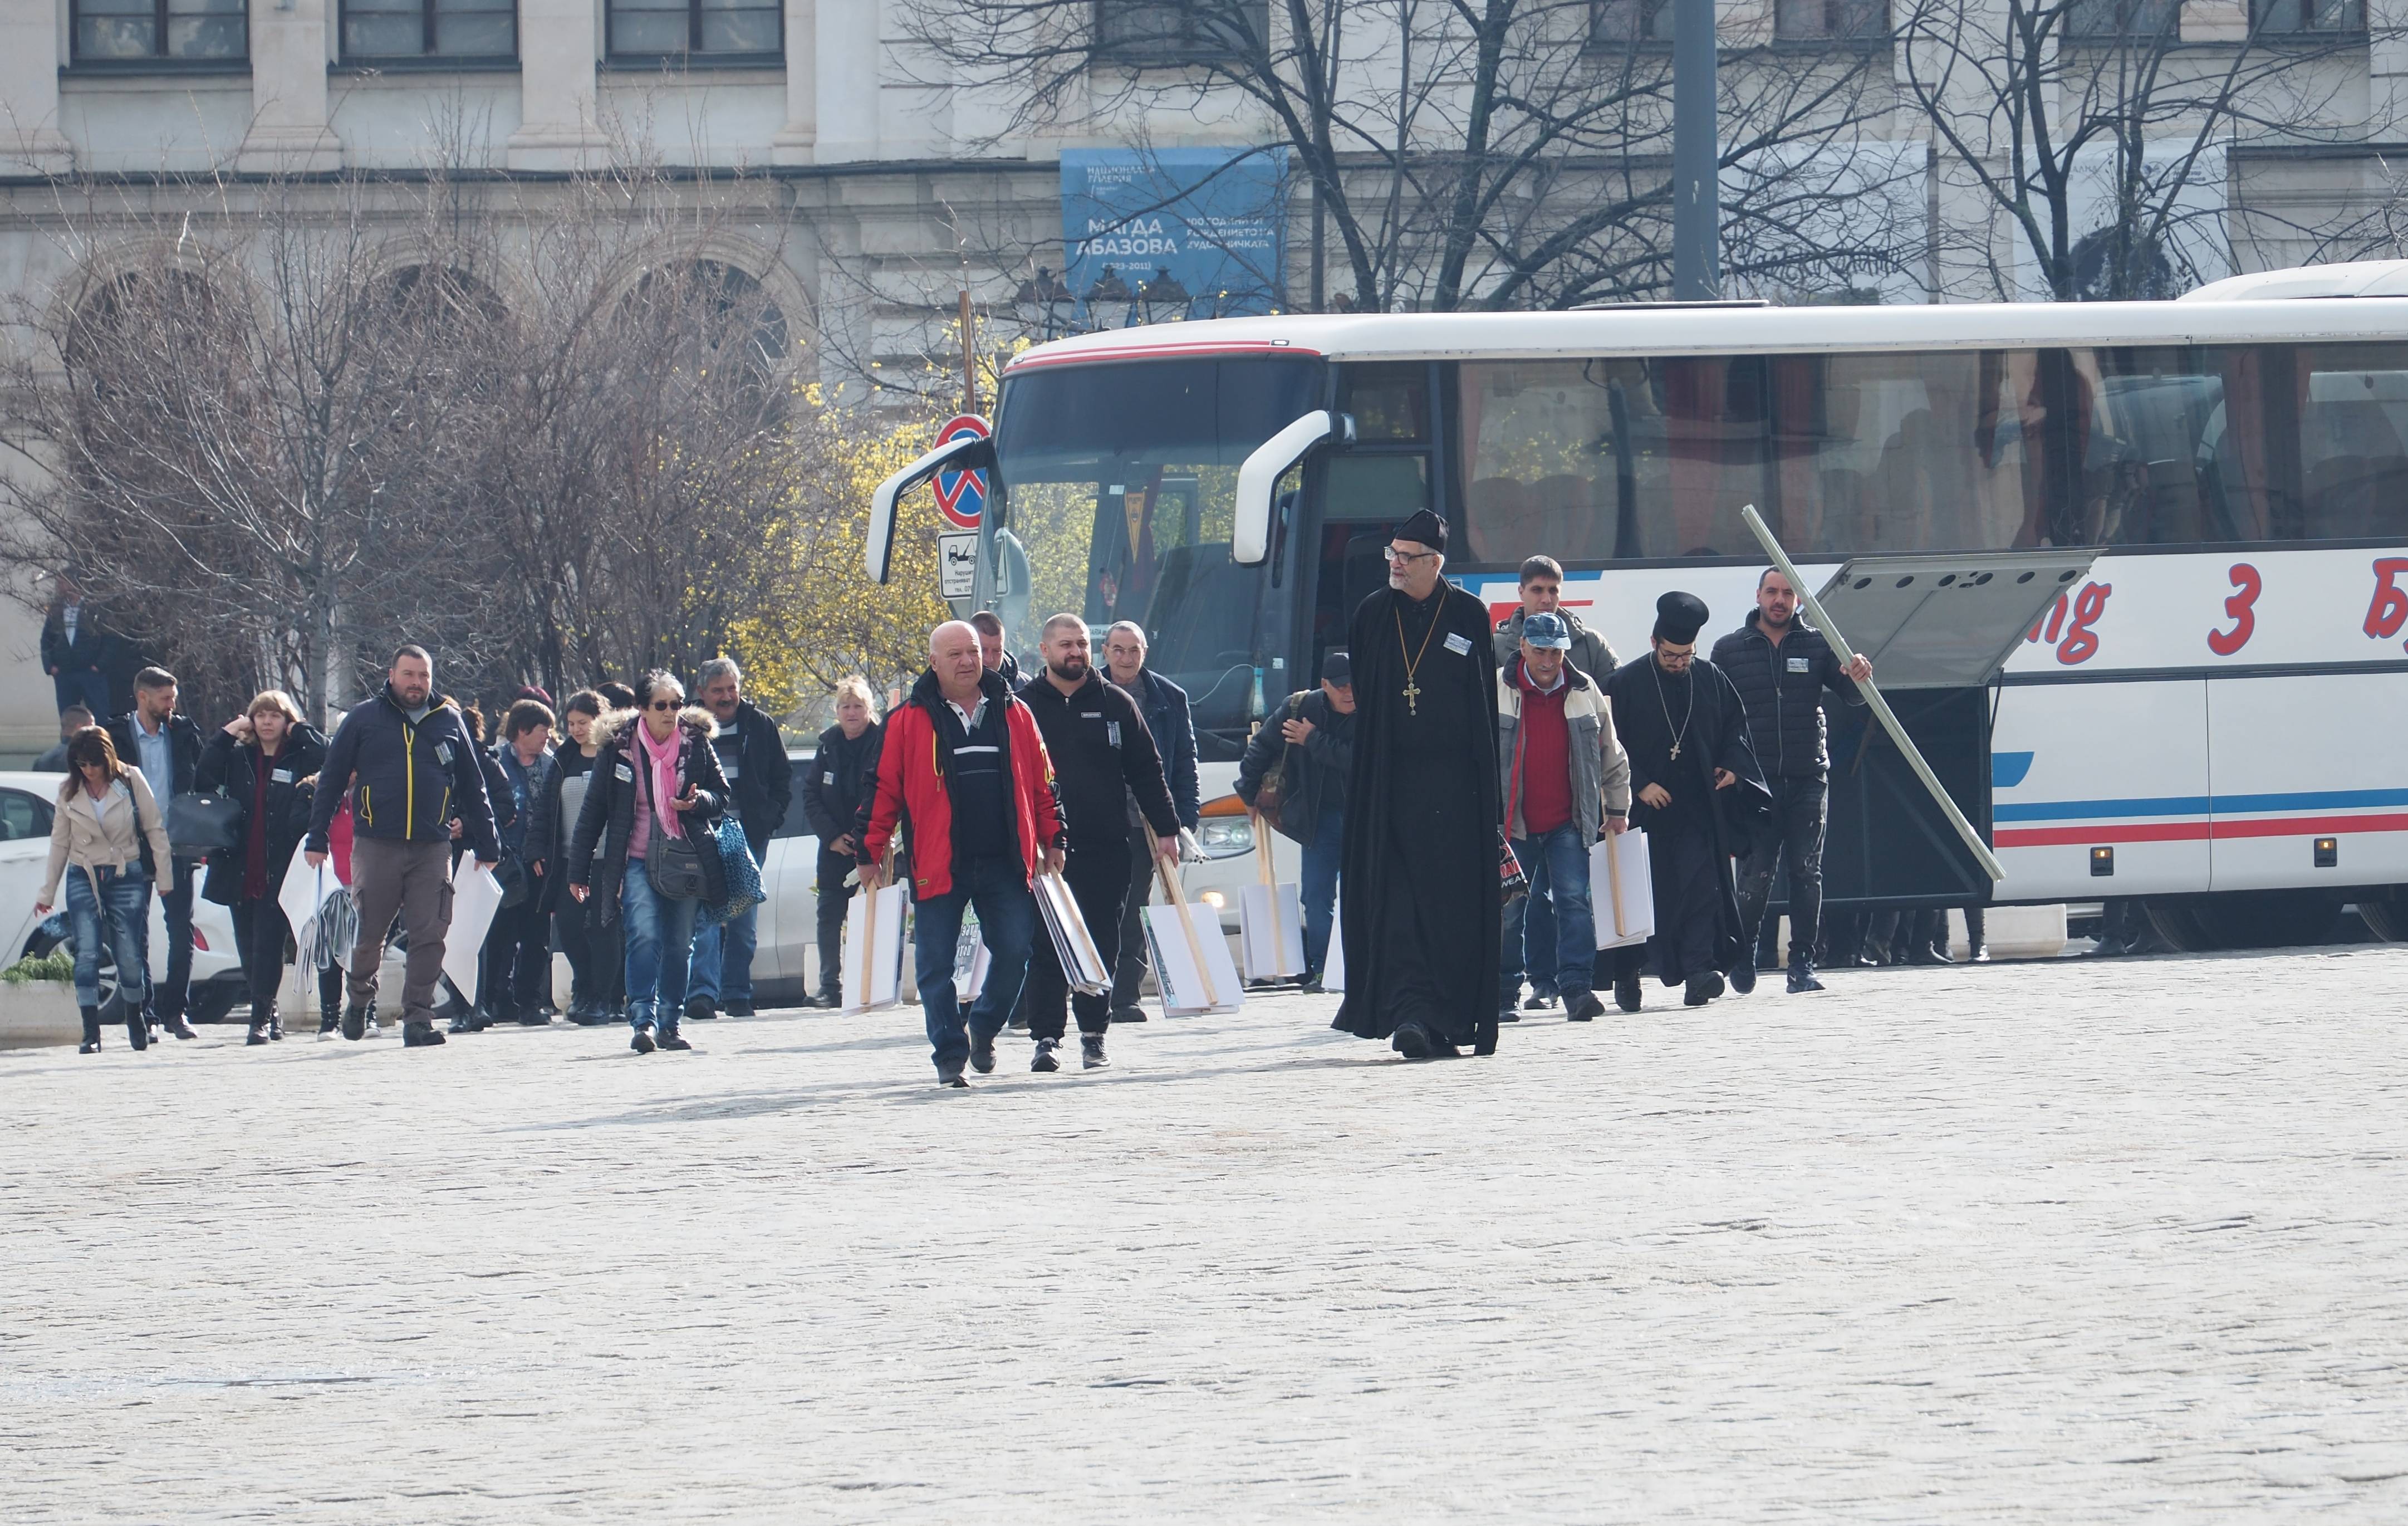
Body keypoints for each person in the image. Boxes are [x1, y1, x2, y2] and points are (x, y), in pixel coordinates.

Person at [860, 620, 1065, 1088]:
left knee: (1015, 951)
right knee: (935, 966)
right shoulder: (907, 720)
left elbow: (1044, 783)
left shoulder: (1015, 712)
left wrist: (1055, 839)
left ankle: (984, 1027)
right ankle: (949, 1053)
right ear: (934, 663)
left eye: (973, 651)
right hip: (938, 862)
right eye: (955, 655)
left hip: (1005, 861)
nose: (968, 661)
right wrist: (870, 849)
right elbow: (882, 789)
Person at [1333, 509, 1503, 1060]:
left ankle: (1445, 1020)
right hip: (1390, 784)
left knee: (1451, 907)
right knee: (1396, 902)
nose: (1396, 565)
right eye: (1393, 555)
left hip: (1455, 791)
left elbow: (1482, 702)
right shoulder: (1371, 614)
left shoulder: (1469, 615)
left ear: (1435, 563)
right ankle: (1408, 1012)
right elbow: (1365, 696)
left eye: (1407, 557)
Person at [306, 645, 499, 1049]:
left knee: (430, 933)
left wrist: (489, 840)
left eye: (424, 676)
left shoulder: (448, 719)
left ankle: (418, 1019)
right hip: (377, 844)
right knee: (368, 934)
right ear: (392, 675)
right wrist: (317, 836)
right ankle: (360, 999)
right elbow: (332, 778)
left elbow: (473, 783)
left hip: (433, 846)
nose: (417, 683)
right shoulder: (364, 718)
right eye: (409, 674)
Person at [1016, 614, 1183, 1072]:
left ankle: (1093, 1034)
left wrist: (1167, 829)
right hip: (1043, 852)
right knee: (1046, 943)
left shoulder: (1116, 703)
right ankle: (1046, 1037)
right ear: (1045, 650)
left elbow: (1147, 771)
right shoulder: (1022, 707)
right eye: (1065, 644)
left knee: (1102, 940)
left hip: (1106, 845)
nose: (1075, 652)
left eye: (1081, 644)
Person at [1603, 593, 1770, 1010]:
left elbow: (1736, 729)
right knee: (1638, 896)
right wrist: (1640, 783)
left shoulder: (1711, 678)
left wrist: (1732, 766)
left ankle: (1699, 973)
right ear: (1654, 642)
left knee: (1701, 890)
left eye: (1686, 655)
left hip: (1696, 808)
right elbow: (1606, 743)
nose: (1679, 663)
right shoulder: (1625, 683)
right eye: (1671, 655)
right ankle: (1627, 975)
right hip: (1641, 813)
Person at [1709, 569, 1873, 995]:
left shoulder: (1819, 643)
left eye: (1787, 593)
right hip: (1755, 783)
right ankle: (1743, 952)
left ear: (1798, 600)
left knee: (1806, 872)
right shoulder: (1729, 649)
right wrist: (1725, 765)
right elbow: (1715, 716)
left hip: (1808, 776)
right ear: (1758, 596)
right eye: (1772, 592)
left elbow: (1852, 696)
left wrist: (1858, 675)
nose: (1779, 600)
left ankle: (1802, 965)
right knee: (1754, 875)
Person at [563, 672, 730, 1054]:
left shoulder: (695, 742)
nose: (671, 712)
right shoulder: (619, 747)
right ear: (642, 708)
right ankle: (643, 1020)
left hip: (686, 859)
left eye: (677, 704)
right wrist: (578, 871)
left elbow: (721, 795)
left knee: (680, 943)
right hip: (636, 859)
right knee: (644, 935)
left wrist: (697, 801)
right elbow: (594, 811)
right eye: (661, 705)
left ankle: (670, 1023)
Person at [1497, 612, 1631, 1026]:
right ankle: (1503, 993)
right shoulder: (1495, 689)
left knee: (1573, 903)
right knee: (1508, 910)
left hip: (1569, 821)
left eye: (1555, 652)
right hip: (1511, 823)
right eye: (1540, 651)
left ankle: (1576, 988)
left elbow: (1611, 752)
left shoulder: (1584, 689)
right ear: (1522, 647)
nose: (1548, 661)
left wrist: (1617, 810)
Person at [196, 691, 329, 1044]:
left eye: (275, 716)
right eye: (261, 715)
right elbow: (203, 776)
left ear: (287, 721)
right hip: (240, 864)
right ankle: (270, 1013)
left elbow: (329, 757)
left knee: (268, 943)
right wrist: (228, 733)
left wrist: (301, 730)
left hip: (282, 866)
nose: (267, 722)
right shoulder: (239, 757)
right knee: (247, 944)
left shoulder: (298, 757)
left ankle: (258, 1019)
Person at [37, 727, 171, 1053]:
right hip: (83, 873)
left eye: (94, 763)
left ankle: (135, 1016)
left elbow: (154, 828)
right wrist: (47, 893)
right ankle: (90, 1032)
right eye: (81, 763)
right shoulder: (69, 790)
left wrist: (165, 878)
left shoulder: (130, 779)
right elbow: (59, 842)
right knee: (86, 951)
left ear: (108, 758)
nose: (89, 770)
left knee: (129, 952)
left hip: (125, 870)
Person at [1235, 650, 1355, 990]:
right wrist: (1249, 795)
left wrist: (1312, 739)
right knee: (1316, 897)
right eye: (1342, 687)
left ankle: (1362, 969)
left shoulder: (1374, 707)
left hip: (1366, 819)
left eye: (1355, 686)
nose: (1350, 693)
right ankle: (1322, 971)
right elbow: (1260, 749)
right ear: (1325, 686)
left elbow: (1363, 760)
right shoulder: (1300, 708)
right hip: (1320, 819)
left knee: (1365, 897)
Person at [1099, 620, 1200, 1022]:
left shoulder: (1169, 698)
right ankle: (1091, 990)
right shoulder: (1084, 691)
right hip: (1093, 820)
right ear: (1105, 652)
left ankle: (1124, 997)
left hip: (1145, 822)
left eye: (1133, 650)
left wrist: (1181, 823)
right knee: (1096, 908)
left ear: (1144, 652)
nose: (1126, 658)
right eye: (1118, 650)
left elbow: (1185, 763)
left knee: (1133, 912)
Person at [684, 656, 792, 1021]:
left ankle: (737, 993)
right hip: (701, 833)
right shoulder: (687, 727)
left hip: (747, 835)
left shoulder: (759, 725)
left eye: (732, 688)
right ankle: (702, 994)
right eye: (718, 691)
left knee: (744, 916)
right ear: (702, 692)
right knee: (704, 916)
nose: (727, 696)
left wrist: (769, 819)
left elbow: (782, 779)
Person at [109, 667, 203, 1040]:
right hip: (131, 845)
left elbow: (202, 777)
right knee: (135, 933)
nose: (171, 706)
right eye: (165, 699)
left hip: (175, 843)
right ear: (143, 697)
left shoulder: (183, 733)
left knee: (181, 930)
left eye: (173, 699)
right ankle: (144, 1015)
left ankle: (176, 1013)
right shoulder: (115, 736)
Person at [801, 676, 883, 1008]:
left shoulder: (882, 743)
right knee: (829, 915)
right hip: (835, 847)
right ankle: (830, 986)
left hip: (876, 845)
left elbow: (887, 792)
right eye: (846, 707)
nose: (852, 713)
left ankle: (877, 985)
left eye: (858, 706)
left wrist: (869, 837)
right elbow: (810, 795)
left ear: (869, 709)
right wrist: (832, 836)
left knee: (878, 915)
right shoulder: (827, 746)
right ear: (837, 711)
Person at [482, 699, 560, 1027]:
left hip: (539, 863)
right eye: (543, 730)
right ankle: (489, 1001)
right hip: (502, 864)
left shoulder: (552, 765)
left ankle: (529, 1003)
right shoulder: (494, 762)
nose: (548, 737)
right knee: (497, 936)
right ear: (523, 730)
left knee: (536, 936)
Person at [552, 691, 622, 1025]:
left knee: (605, 928)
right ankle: (584, 984)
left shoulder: (616, 754)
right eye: (571, 724)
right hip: (572, 859)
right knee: (568, 925)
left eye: (583, 722)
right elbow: (548, 808)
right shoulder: (563, 758)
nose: (577, 730)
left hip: (609, 858)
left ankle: (604, 998)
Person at [1491, 555, 1618, 681]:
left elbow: (1615, 689)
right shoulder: (1494, 647)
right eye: (1537, 590)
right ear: (1521, 592)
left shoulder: (1592, 643)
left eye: (1553, 591)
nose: (1547, 599)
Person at [40, 573, 115, 719]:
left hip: (90, 672)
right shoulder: (57, 609)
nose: (59, 587)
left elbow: (110, 638)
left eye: (63, 583)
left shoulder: (95, 607)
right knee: (68, 716)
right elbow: (46, 639)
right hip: (64, 672)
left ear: (75, 583)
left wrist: (99, 665)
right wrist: (50, 666)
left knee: (100, 714)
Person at [970, 609, 1023, 687]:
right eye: (982, 650)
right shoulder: (952, 687)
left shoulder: (1024, 687)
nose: (989, 659)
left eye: (997, 651)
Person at [34, 706, 92, 772]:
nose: (95, 731)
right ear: (80, 727)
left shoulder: (41, 760)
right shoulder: (86, 761)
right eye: (92, 726)